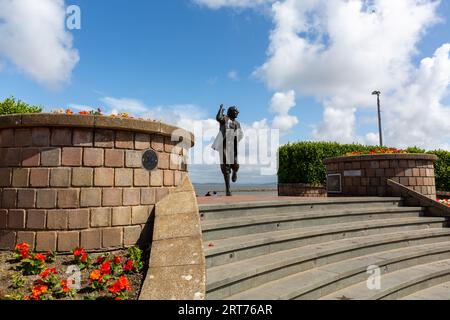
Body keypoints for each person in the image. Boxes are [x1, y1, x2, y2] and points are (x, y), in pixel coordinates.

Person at [212, 104, 244, 196]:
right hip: (224, 146)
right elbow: (218, 118)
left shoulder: (237, 123)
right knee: (225, 168)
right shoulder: (225, 119)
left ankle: (234, 171)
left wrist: (236, 138)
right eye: (235, 111)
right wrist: (221, 109)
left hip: (232, 146)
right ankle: (228, 189)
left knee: (235, 164)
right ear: (230, 112)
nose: (237, 112)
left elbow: (241, 134)